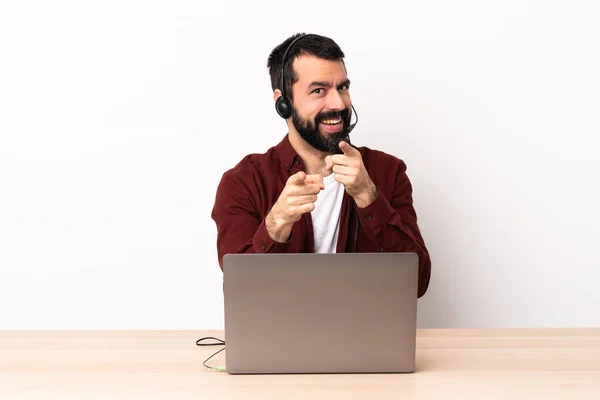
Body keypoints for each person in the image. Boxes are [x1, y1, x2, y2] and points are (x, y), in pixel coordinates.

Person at [211, 33, 431, 297]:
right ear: (283, 103)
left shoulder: (388, 171)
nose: (338, 104)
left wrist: (368, 196)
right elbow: (241, 294)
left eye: (342, 88)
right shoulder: (243, 182)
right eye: (319, 91)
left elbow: (416, 284)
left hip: (363, 336)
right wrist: (277, 223)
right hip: (280, 337)